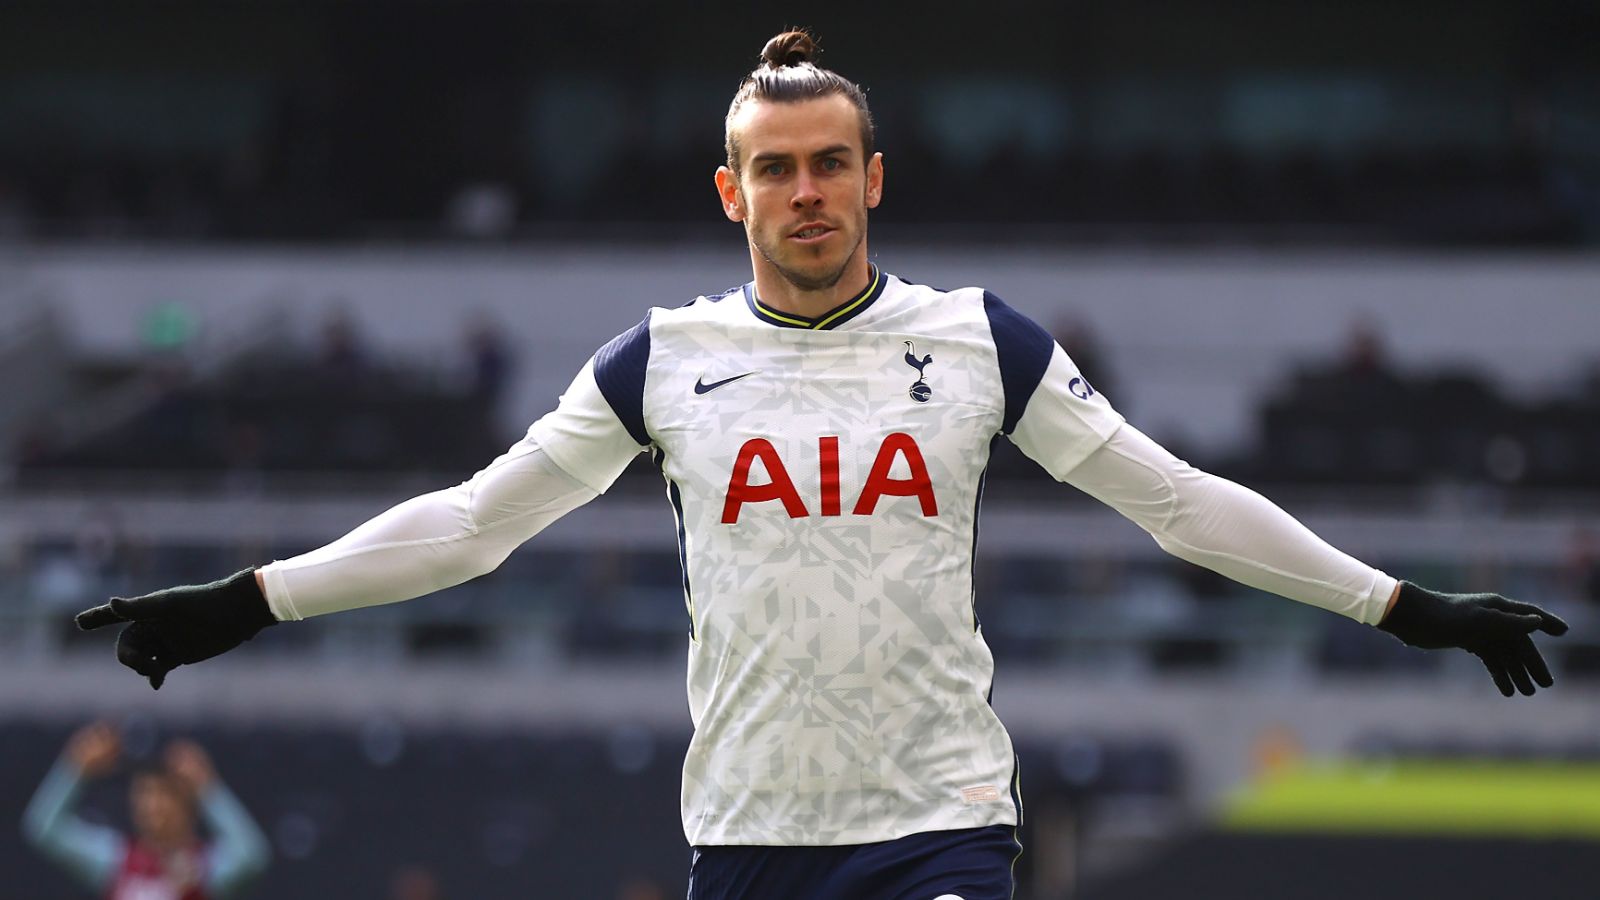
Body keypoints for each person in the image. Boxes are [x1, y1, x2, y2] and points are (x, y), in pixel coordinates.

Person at [76, 30, 1569, 900]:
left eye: (830, 164)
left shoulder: (982, 342)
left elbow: (1173, 500)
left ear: (873, 177)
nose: (806, 191)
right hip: (747, 835)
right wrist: (251, 602)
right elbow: (473, 528)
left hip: (940, 822)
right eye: (775, 168)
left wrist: (1402, 606)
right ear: (732, 191)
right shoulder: (659, 361)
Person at [22, 721, 270, 899]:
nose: (151, 805)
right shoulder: (116, 860)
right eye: (143, 793)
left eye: (164, 793)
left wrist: (209, 788)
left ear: (187, 801)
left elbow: (253, 855)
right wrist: (73, 769)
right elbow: (43, 828)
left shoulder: (206, 867)